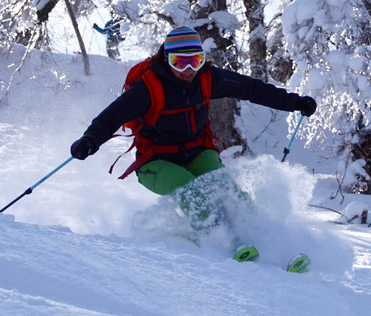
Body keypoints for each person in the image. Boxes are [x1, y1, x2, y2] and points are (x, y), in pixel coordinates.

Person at [71, 25, 317, 231]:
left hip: (197, 153)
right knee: (190, 189)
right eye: (180, 62)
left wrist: (294, 103)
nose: (188, 70)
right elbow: (111, 117)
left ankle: (257, 232)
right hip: (155, 163)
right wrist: (90, 140)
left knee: (227, 190)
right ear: (167, 60)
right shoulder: (148, 88)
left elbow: (251, 89)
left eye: (195, 61)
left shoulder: (208, 78)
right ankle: (219, 239)